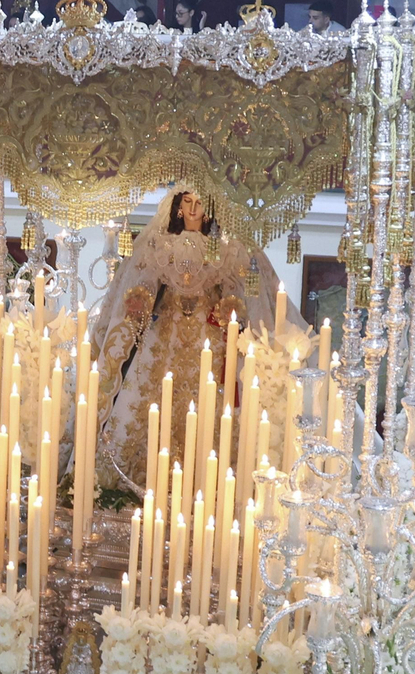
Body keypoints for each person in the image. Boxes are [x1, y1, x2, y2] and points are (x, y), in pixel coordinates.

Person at [90, 186, 300, 496]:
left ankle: (211, 488)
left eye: (199, 204)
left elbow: (235, 288)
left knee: (212, 408)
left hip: (209, 337)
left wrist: (231, 306)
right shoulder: (160, 244)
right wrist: (139, 300)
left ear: (209, 209)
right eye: (187, 203)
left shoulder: (224, 247)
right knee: (149, 401)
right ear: (177, 207)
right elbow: (144, 282)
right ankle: (133, 484)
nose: (192, 210)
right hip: (166, 336)